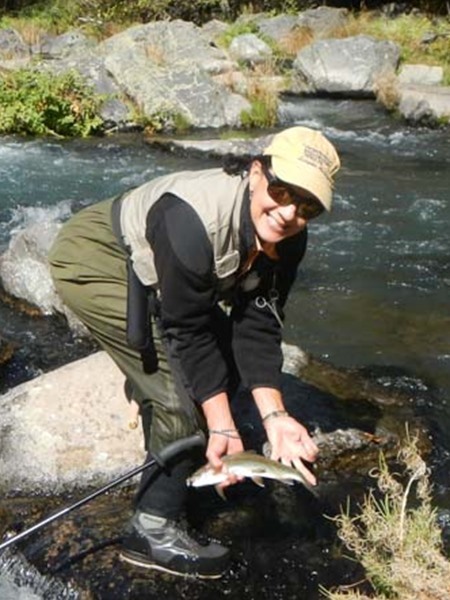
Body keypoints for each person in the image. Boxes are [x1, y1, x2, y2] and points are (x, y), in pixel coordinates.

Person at [48, 126, 341, 579]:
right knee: (179, 398)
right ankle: (151, 530)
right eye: (282, 191)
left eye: (307, 207)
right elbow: (186, 332)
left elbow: (259, 323)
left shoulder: (288, 236)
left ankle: (205, 447)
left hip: (166, 272)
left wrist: (276, 418)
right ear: (256, 171)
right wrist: (220, 423)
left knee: (221, 372)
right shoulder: (190, 218)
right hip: (97, 257)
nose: (287, 213)